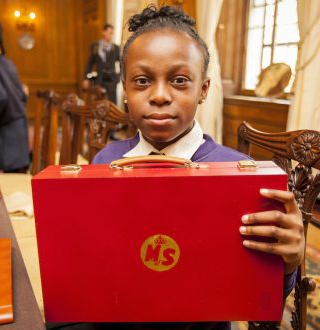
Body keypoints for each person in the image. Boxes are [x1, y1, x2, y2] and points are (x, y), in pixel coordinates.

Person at [91, 6, 304, 330]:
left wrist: (288, 263)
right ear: (124, 88)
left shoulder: (239, 173)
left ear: (203, 89)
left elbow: (264, 300)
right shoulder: (105, 163)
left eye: (179, 80)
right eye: (142, 80)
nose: (159, 96)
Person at [0, 22, 30, 173]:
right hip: (17, 137)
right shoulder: (6, 63)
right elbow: (23, 96)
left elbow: (1, 99)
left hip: (8, 142)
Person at [82, 23, 120, 104]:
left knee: (112, 104)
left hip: (111, 81)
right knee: (99, 104)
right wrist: (85, 78)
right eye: (109, 33)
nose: (111, 35)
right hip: (99, 80)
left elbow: (121, 64)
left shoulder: (115, 47)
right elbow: (90, 63)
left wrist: (118, 78)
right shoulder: (95, 46)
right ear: (104, 32)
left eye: (112, 33)